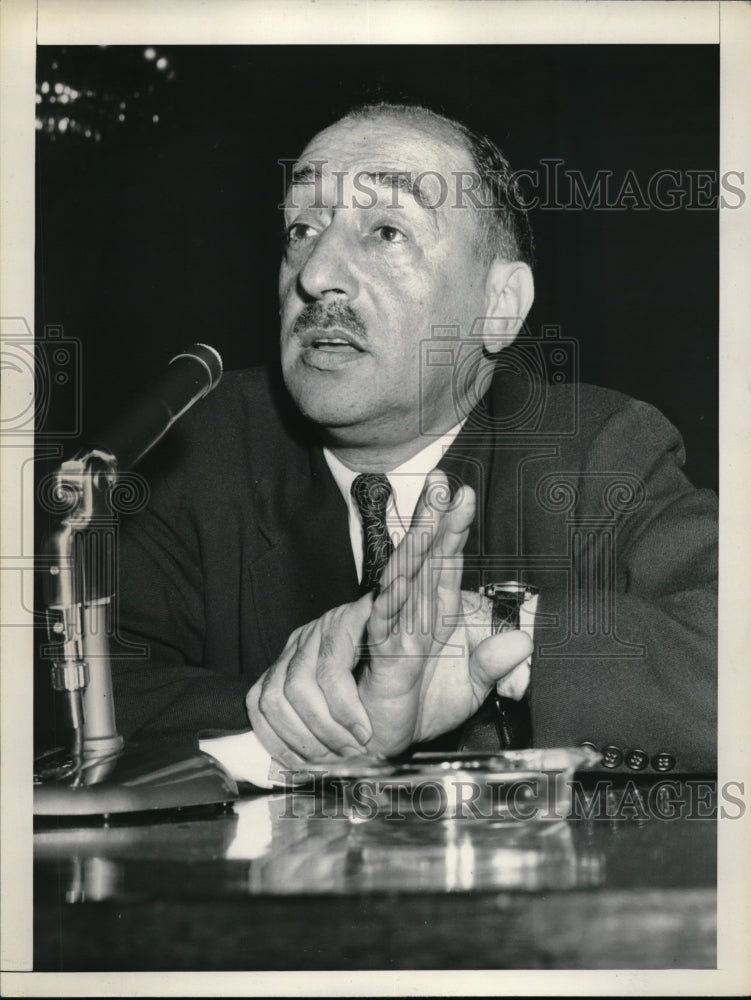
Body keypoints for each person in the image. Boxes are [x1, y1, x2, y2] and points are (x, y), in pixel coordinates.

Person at [111, 103, 717, 783]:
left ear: (499, 306)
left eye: (386, 231)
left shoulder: (592, 453)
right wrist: (317, 727)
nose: (315, 275)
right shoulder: (197, 449)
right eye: (302, 228)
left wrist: (488, 634)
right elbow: (65, 696)